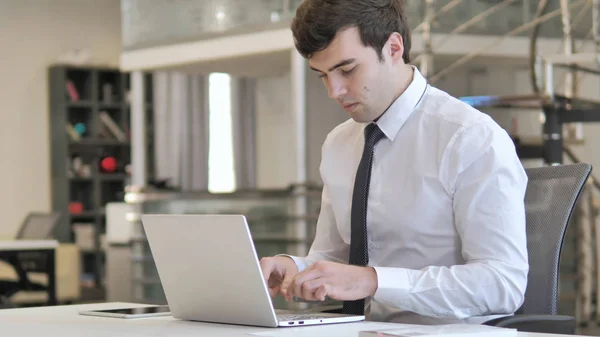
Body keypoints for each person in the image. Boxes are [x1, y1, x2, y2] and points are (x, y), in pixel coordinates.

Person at [259, 0, 529, 325]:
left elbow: (503, 284)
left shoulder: (471, 138)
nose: (335, 91)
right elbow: (331, 258)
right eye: (322, 75)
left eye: (347, 70)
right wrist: (295, 268)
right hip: (360, 329)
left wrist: (374, 280)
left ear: (393, 47)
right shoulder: (339, 144)